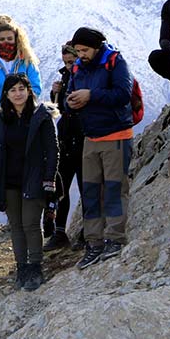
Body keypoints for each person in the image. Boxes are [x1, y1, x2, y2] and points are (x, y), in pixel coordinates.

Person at [65, 27, 135, 270]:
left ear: (96, 47)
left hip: (116, 135)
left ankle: (115, 238)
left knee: (115, 189)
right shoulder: (77, 68)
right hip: (90, 137)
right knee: (91, 192)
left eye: (84, 50)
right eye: (78, 51)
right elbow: (69, 94)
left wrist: (90, 95)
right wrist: (71, 102)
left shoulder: (115, 62)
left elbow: (123, 94)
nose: (81, 54)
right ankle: (93, 242)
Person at [0, 73, 60, 291]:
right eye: (13, 90)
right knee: (16, 226)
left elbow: (52, 149)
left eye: (22, 89)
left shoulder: (41, 116)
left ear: (29, 91)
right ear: (6, 95)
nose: (18, 94)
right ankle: (22, 268)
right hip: (8, 181)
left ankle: (35, 267)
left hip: (34, 179)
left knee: (30, 223)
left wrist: (49, 179)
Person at [45, 43, 84, 252]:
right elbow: (59, 109)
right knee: (61, 188)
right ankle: (60, 231)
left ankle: (87, 232)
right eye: (66, 63)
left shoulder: (85, 77)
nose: (69, 66)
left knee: (86, 187)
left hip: (82, 138)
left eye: (72, 62)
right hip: (66, 139)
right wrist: (54, 95)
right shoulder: (66, 78)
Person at [0, 15, 42, 105]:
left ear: (16, 40)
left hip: (25, 111)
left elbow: (35, 86)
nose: (6, 42)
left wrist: (22, 104)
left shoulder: (26, 61)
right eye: (2, 39)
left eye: (9, 39)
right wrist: (2, 106)